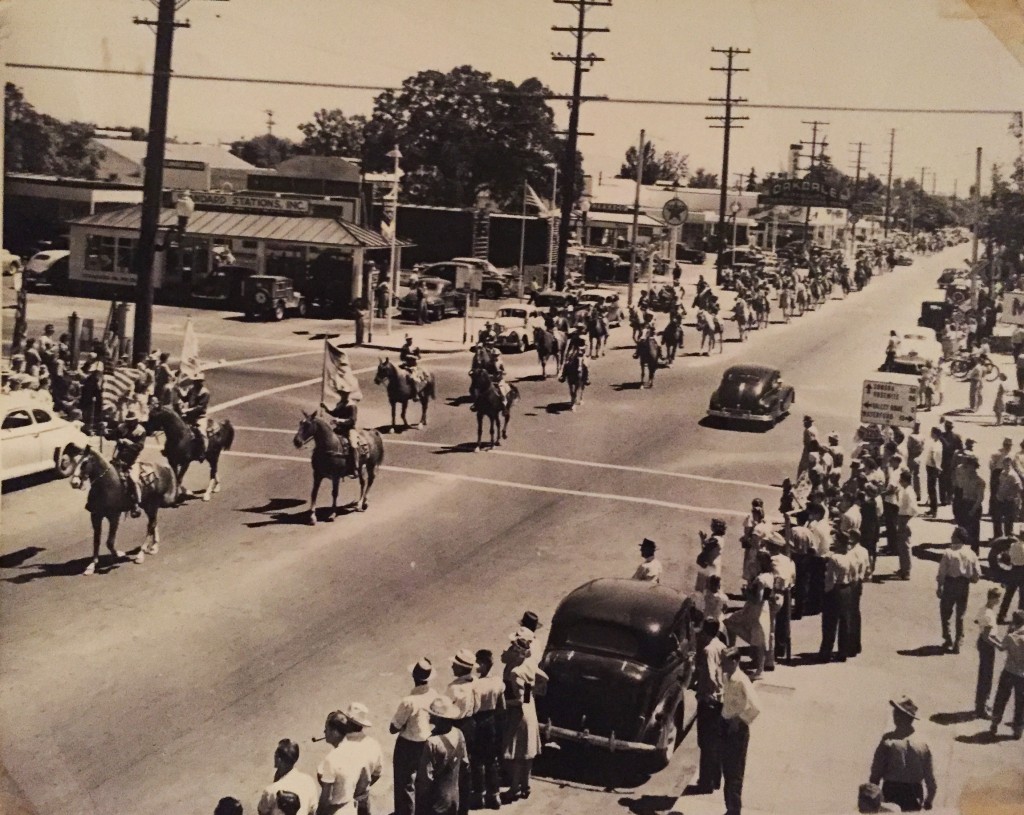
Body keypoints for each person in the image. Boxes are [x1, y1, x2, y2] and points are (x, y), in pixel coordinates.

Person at [501, 628, 547, 802]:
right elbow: (543, 678)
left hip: (519, 714)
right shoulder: (529, 664)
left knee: (517, 755)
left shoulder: (515, 671)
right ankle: (526, 786)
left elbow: (520, 700)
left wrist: (503, 704)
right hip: (531, 710)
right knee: (528, 753)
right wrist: (533, 690)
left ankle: (514, 788)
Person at [868, 696, 937, 812]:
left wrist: (871, 795)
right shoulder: (923, 744)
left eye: (896, 712)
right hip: (915, 794)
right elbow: (930, 778)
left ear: (901, 717)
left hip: (891, 792)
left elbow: (876, 772)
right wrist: (929, 800)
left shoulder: (888, 741)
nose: (894, 715)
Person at [390, 659, 439, 815]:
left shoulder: (409, 701)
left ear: (414, 677)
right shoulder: (433, 695)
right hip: (428, 741)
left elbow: (393, 727)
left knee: (404, 783)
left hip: (408, 744)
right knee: (424, 780)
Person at [316, 705, 383, 815]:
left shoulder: (340, 751)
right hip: (361, 800)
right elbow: (377, 773)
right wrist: (361, 789)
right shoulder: (374, 745)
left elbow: (325, 784)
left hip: (339, 805)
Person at [720, 646, 761, 815]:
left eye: (726, 662)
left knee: (735, 773)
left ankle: (734, 811)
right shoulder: (726, 677)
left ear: (735, 661)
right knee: (727, 771)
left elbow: (756, 707)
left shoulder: (742, 680)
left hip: (737, 730)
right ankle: (729, 808)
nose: (722, 665)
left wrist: (739, 719)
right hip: (725, 725)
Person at [415, 696, 469, 815]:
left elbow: (425, 779)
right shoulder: (459, 733)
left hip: (437, 799)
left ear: (439, 718)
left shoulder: (432, 742)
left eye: (433, 714)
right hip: (454, 795)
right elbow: (465, 764)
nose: (430, 716)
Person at [936, 526, 982, 653]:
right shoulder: (971, 553)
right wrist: (971, 579)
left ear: (956, 538)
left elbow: (942, 572)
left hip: (950, 583)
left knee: (945, 612)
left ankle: (947, 638)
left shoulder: (948, 553)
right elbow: (977, 574)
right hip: (964, 585)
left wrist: (940, 586)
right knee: (960, 614)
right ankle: (958, 640)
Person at [693, 617, 726, 793]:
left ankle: (705, 782)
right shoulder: (722, 646)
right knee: (716, 743)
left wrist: (705, 694)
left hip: (709, 702)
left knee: (705, 744)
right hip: (721, 701)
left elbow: (710, 677)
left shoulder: (707, 651)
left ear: (706, 631)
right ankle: (716, 779)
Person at [446, 649, 478, 813]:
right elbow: (478, 704)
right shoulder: (474, 682)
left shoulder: (454, 688)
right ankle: (464, 806)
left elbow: (445, 710)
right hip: (470, 724)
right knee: (467, 766)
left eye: (455, 665)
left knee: (452, 768)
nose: (452, 666)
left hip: (456, 726)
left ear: (460, 668)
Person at [470, 650, 503, 810]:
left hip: (478, 721)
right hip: (491, 721)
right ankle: (494, 795)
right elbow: (501, 706)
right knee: (491, 759)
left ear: (483, 664)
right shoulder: (497, 682)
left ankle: (479, 795)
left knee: (477, 759)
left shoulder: (476, 684)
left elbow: (473, 707)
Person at [819, 533, 856, 663]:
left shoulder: (834, 559)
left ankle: (825, 652)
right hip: (847, 589)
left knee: (829, 623)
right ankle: (842, 652)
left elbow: (831, 579)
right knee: (844, 622)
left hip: (835, 591)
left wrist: (825, 593)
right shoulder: (851, 557)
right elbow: (854, 576)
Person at [257, 739, 318, 815]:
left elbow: (262, 811)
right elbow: (313, 811)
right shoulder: (309, 781)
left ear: (278, 759)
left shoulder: (272, 789)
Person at [989, 609, 1024, 739]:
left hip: (1009, 671)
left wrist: (1008, 632)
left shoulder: (1011, 636)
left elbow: (1002, 647)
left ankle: (994, 723)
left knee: (1001, 698)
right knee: (1020, 703)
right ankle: (1018, 729)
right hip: (1022, 675)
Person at [975, 586, 1004, 719]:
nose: (999, 601)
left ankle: (982, 704)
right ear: (993, 598)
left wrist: (1000, 642)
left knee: (985, 675)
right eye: (998, 598)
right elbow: (987, 637)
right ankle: (981, 708)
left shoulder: (985, 610)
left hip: (984, 644)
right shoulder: (988, 615)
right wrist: (998, 646)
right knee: (986, 677)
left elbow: (990, 634)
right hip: (986, 646)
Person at [112, 409, 147, 517]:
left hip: (133, 460)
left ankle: (136, 503)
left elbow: (139, 447)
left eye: (132, 421)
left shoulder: (140, 431)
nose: (130, 423)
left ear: (136, 420)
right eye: (128, 421)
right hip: (119, 458)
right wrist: (104, 431)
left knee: (133, 479)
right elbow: (112, 435)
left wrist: (127, 443)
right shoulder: (122, 427)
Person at [179, 372, 211, 461]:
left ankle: (203, 452)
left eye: (197, 381)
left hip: (199, 417)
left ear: (201, 382)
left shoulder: (205, 393)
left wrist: (188, 410)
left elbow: (200, 407)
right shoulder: (192, 389)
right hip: (189, 415)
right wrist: (177, 390)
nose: (195, 383)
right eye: (195, 381)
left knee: (201, 433)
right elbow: (185, 398)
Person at [895, 470, 917, 580]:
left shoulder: (909, 492)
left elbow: (913, 509)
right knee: (902, 545)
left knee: (905, 546)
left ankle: (906, 570)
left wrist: (906, 520)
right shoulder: (905, 490)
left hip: (905, 518)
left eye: (901, 480)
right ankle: (903, 568)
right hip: (902, 517)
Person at [997, 533, 1024, 623]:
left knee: (1009, 594)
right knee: (1022, 595)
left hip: (1013, 570)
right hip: (1022, 570)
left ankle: (1001, 615)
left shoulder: (1013, 545)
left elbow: (1009, 557)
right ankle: (1020, 617)